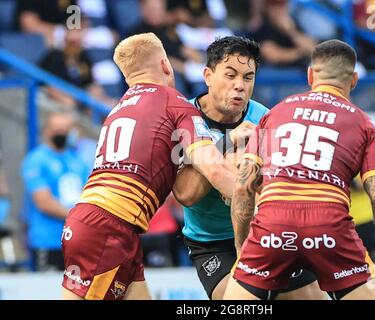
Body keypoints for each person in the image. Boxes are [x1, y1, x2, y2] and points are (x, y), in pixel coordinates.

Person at [224, 39, 375, 300]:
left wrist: (242, 247)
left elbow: (243, 186)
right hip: (330, 230)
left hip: (273, 226)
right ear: (354, 80)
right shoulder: (364, 125)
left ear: (310, 75)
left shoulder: (276, 113)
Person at [61, 32, 235, 300]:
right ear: (166, 65)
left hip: (94, 222)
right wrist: (270, 210)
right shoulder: (174, 103)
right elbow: (215, 170)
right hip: (111, 228)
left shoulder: (117, 109)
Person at [172, 36, 324, 300]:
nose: (239, 86)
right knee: (241, 302)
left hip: (265, 233)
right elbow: (185, 194)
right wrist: (228, 142)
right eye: (230, 75)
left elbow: (281, 187)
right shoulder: (183, 117)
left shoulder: (266, 119)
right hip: (213, 242)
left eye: (248, 77)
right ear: (208, 76)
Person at [22, 112, 89, 271]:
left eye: (65, 129)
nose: (61, 133)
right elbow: (44, 202)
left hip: (77, 241)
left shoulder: (77, 160)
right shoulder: (37, 159)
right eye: (56, 129)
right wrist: (80, 217)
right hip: (48, 241)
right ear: (46, 131)